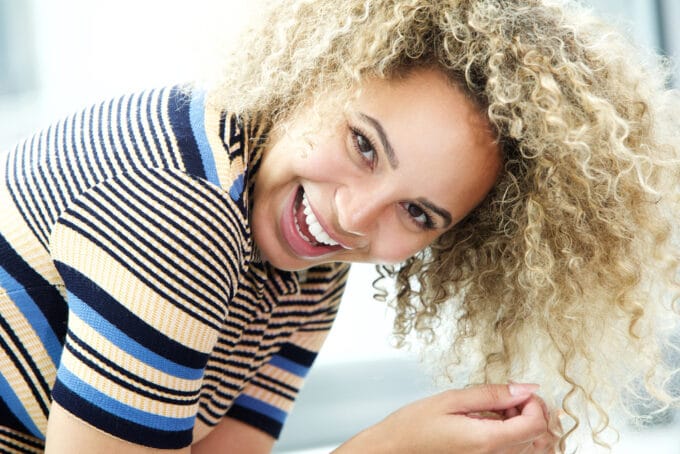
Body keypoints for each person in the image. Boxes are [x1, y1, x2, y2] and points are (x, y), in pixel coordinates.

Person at [0, 0, 677, 453]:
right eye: (363, 145)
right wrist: (381, 447)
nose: (352, 217)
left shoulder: (307, 268)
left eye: (417, 214)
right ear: (323, 74)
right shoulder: (181, 202)